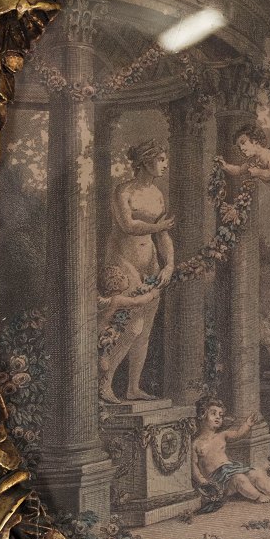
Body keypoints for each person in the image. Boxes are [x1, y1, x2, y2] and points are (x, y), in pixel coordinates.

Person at [101, 141, 175, 401]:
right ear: (145, 161)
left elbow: (163, 235)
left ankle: (133, 387)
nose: (165, 164)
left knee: (144, 332)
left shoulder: (157, 194)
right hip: (123, 261)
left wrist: (169, 264)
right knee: (131, 327)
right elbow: (128, 226)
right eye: (161, 159)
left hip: (150, 262)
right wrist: (158, 227)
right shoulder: (123, 191)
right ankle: (104, 383)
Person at [192, 396, 270, 511]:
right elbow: (194, 467)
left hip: (231, 470)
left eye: (220, 415)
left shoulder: (222, 435)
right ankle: (258, 496)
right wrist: (204, 483)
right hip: (218, 481)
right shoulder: (196, 444)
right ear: (202, 415)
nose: (218, 417)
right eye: (213, 413)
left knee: (256, 472)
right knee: (239, 478)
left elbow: (238, 434)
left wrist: (247, 424)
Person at [97, 265, 160, 403]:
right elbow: (137, 302)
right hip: (103, 339)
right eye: (122, 276)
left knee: (102, 364)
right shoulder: (117, 299)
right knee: (103, 365)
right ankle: (102, 390)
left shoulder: (107, 299)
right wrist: (152, 294)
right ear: (115, 285)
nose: (126, 277)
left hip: (103, 337)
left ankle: (101, 390)